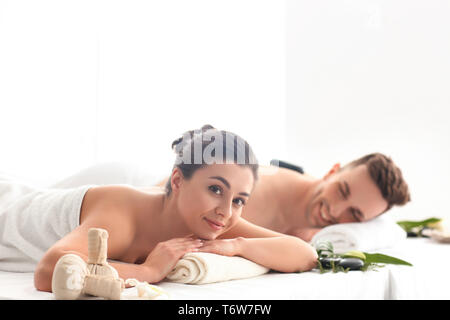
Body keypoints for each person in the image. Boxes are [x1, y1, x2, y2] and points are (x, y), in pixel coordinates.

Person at [33, 125, 318, 292]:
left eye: (239, 200)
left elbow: (304, 255)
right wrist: (148, 271)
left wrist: (237, 246)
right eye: (215, 189)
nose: (226, 212)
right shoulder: (125, 211)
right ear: (178, 180)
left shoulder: (215, 223)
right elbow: (49, 270)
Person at [156, 152, 411, 242]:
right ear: (332, 172)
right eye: (341, 191)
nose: (335, 210)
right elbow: (160, 200)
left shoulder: (320, 235)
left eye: (354, 214)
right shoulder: (256, 187)